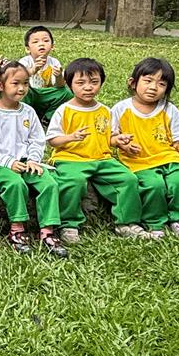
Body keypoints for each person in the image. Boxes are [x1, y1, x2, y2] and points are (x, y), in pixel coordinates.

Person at [46, 58, 149, 243]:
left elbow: (108, 137)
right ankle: (69, 224)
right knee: (73, 182)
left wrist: (119, 141)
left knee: (128, 179)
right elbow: (53, 140)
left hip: (102, 159)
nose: (88, 87)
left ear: (101, 83)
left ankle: (126, 223)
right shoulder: (64, 110)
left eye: (94, 82)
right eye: (81, 83)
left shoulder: (105, 111)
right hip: (71, 159)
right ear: (69, 84)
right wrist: (71, 137)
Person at [0, 61, 67, 258]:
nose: (22, 88)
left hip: (27, 162)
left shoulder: (28, 111)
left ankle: (47, 231)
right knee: (15, 184)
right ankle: (17, 229)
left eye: (26, 83)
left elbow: (37, 139)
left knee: (49, 184)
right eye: (16, 83)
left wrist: (34, 159)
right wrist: (8, 162)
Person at [111, 58, 179, 239]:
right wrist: (121, 142)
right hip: (138, 162)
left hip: (169, 158)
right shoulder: (121, 109)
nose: (153, 87)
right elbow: (109, 137)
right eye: (148, 81)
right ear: (133, 83)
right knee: (153, 185)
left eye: (161, 84)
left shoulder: (168, 109)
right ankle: (155, 223)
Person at [18, 25, 72, 120]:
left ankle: (48, 117)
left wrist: (59, 76)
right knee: (22, 91)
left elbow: (59, 86)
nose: (41, 44)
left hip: (47, 94)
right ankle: (24, 117)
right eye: (35, 42)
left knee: (66, 93)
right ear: (27, 49)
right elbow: (18, 78)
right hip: (31, 93)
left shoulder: (54, 62)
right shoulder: (25, 61)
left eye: (46, 41)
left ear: (52, 46)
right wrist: (33, 69)